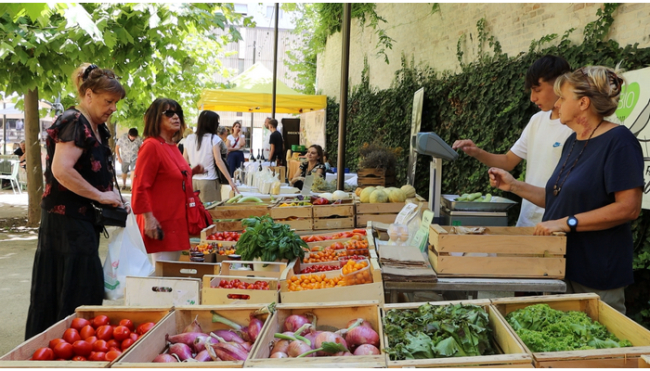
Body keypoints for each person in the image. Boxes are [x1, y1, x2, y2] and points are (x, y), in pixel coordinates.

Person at [488, 66, 643, 313]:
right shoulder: (573, 141)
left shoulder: (619, 141)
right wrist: (514, 185)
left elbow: (629, 208)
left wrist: (566, 222)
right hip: (560, 267)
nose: (557, 104)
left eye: (563, 97)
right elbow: (557, 199)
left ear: (583, 103)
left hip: (596, 273)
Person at [25, 63, 126, 339]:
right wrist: (102, 196)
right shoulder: (73, 120)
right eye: (109, 101)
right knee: (71, 293)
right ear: (89, 94)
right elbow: (61, 170)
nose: (113, 108)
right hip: (65, 225)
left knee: (81, 291)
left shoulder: (94, 125)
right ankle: (56, 355)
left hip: (81, 223)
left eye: (115, 103)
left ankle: (72, 352)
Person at [452, 55, 573, 226]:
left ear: (561, 84)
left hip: (555, 226)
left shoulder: (575, 128)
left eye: (537, 90)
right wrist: (476, 152)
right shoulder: (536, 121)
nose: (532, 98)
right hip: (526, 222)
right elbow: (508, 161)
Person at [131, 98, 204, 263]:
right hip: (160, 225)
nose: (176, 117)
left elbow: (169, 177)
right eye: (169, 113)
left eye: (178, 113)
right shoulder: (151, 146)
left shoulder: (171, 145)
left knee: (168, 277)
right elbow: (140, 186)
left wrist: (191, 173)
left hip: (176, 221)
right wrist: (149, 219)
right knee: (161, 280)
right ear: (156, 117)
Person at [183, 110, 238, 203]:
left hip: (193, 181)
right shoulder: (213, 138)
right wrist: (230, 180)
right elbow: (218, 161)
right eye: (217, 122)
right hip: (209, 181)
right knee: (211, 213)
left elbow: (184, 160)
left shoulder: (189, 138)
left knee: (195, 213)